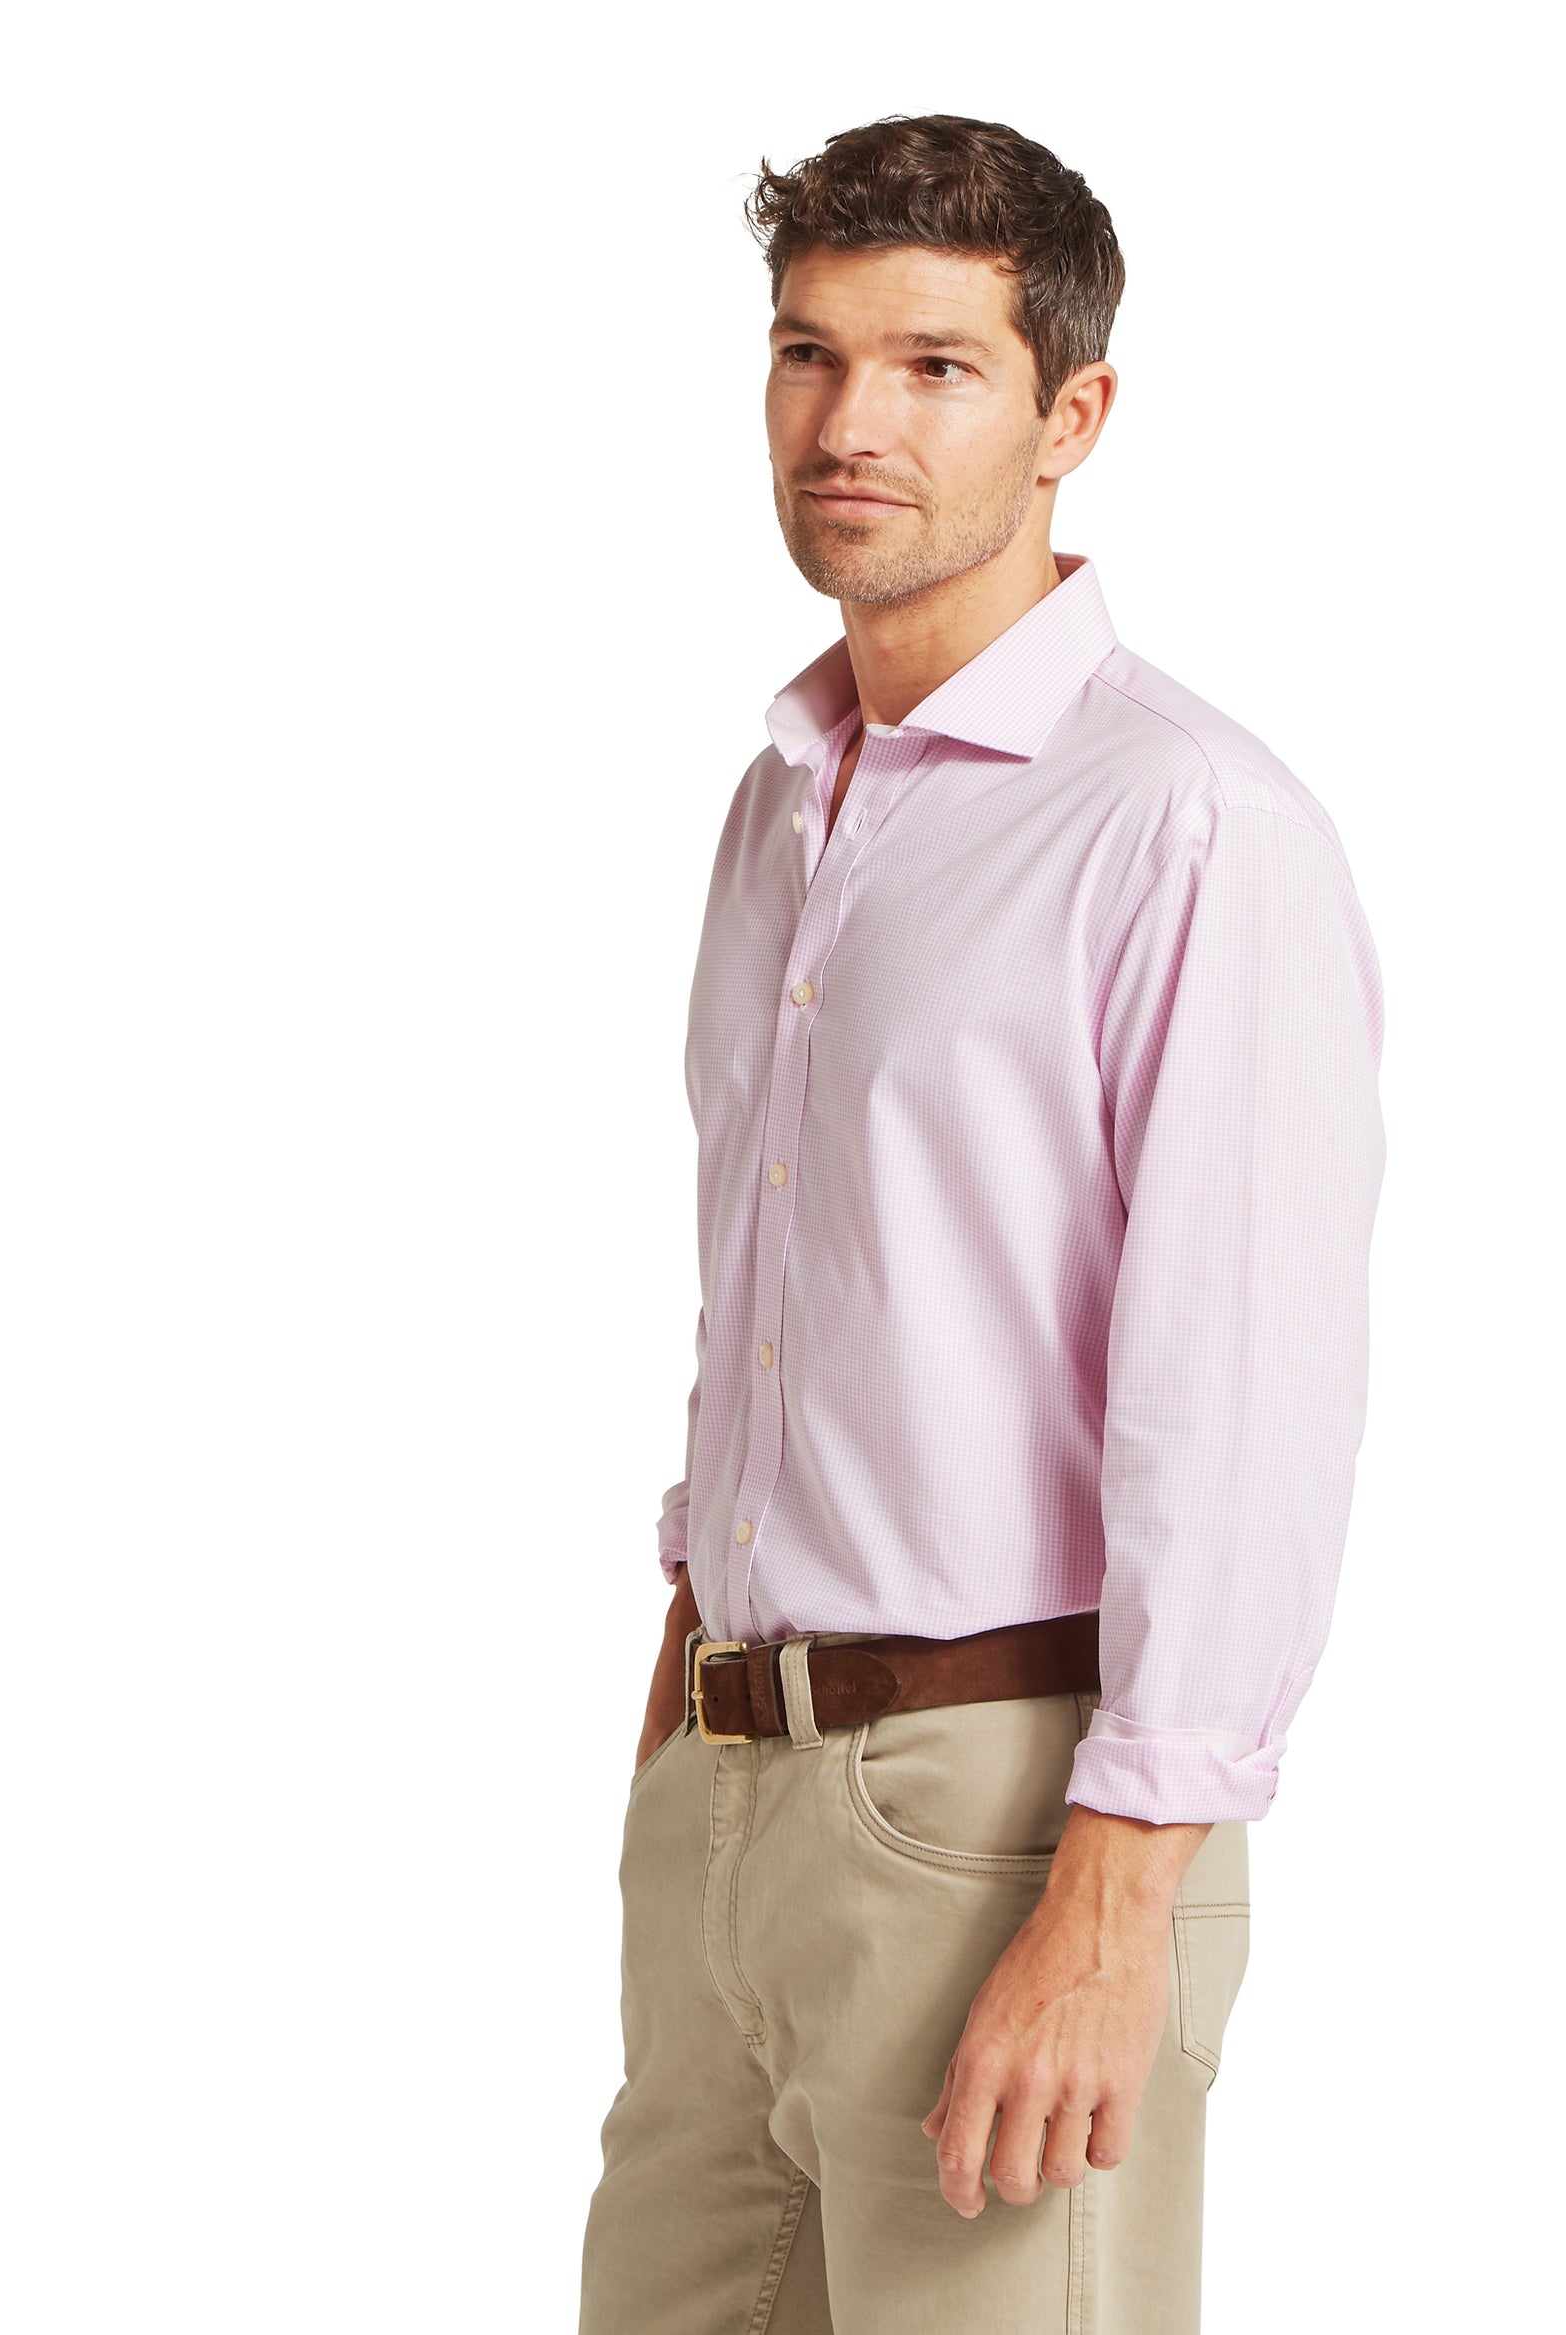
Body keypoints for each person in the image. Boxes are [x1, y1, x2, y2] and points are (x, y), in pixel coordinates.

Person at [578, 112, 1386, 2334]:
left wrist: (1115, 1898)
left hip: (1002, 1808)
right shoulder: (782, 807)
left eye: (936, 365)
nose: (850, 422)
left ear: (1071, 415)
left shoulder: (1186, 824)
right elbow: (784, 1297)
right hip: (731, 1795)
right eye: (809, 353)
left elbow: (1241, 1391)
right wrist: (683, 1720)